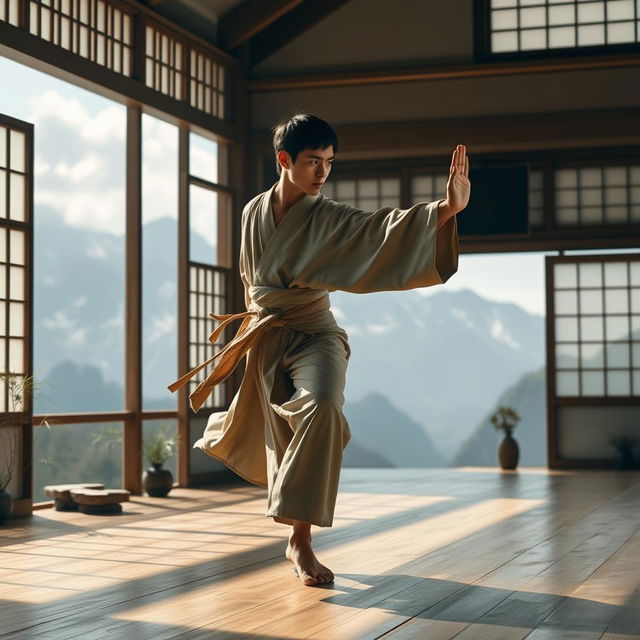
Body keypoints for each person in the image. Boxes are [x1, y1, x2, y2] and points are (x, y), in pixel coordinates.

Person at [168, 114, 469, 587]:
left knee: (323, 405)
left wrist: (444, 211)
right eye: (313, 161)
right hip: (267, 336)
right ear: (284, 160)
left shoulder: (327, 217)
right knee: (285, 436)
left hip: (316, 332)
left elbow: (379, 229)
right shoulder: (251, 213)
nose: (323, 172)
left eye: (329, 162)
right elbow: (253, 280)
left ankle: (300, 537)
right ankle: (297, 536)